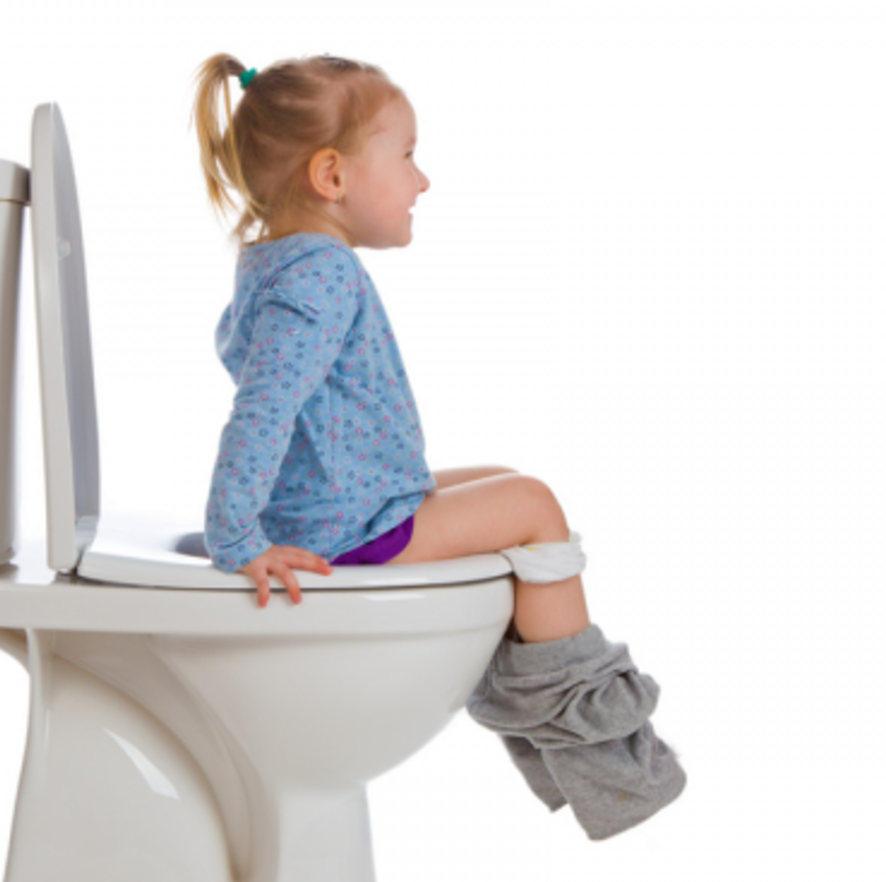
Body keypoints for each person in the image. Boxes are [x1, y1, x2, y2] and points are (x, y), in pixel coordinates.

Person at [193, 54, 685, 839]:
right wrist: (236, 538)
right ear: (332, 175)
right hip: (341, 527)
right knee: (533, 504)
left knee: (504, 480)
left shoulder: (277, 260)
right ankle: (604, 760)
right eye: (407, 155)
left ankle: (550, 724)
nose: (422, 181)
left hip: (342, 500)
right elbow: (261, 412)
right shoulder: (320, 276)